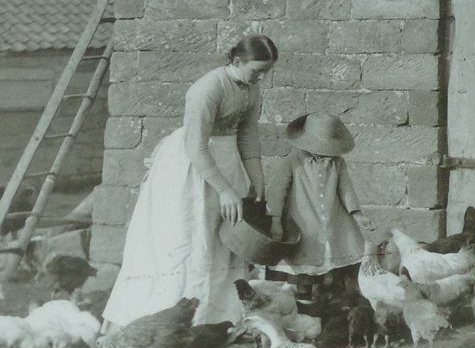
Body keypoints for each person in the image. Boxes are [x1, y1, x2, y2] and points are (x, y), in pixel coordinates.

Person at [101, 35, 278, 330]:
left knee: (221, 236)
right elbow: (195, 147)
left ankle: (218, 321)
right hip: (191, 168)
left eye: (265, 72)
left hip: (227, 160)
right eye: (256, 70)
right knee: (189, 234)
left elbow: (248, 135)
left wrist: (257, 179)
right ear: (237, 62)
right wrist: (225, 190)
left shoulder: (251, 88)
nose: (261, 77)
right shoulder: (206, 89)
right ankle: (167, 322)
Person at [265, 113, 371, 295]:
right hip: (304, 224)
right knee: (304, 271)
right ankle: (304, 301)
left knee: (334, 268)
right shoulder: (291, 162)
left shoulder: (337, 163)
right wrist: (275, 219)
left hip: (333, 221)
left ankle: (327, 306)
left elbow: (346, 188)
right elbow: (276, 191)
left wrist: (357, 214)